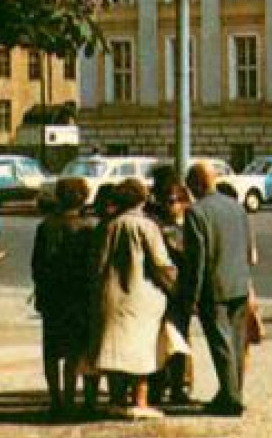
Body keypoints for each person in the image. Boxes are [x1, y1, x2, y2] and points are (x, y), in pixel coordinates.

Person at [93, 179, 175, 419]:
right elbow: (162, 264)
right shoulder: (146, 227)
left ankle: (116, 400)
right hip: (142, 298)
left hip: (111, 295)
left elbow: (98, 264)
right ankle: (140, 401)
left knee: (116, 351)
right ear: (142, 199)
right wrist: (176, 287)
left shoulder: (110, 225)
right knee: (143, 351)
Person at [182, 162, 256, 417]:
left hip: (214, 289)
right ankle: (230, 391)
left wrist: (192, 295)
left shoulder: (195, 213)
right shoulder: (237, 207)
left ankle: (231, 399)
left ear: (197, 184)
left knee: (221, 344)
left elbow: (197, 259)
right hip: (238, 283)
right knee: (236, 343)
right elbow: (247, 248)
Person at [30, 175, 98, 418]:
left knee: (51, 350)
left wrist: (40, 290)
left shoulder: (45, 226)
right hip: (78, 297)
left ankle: (55, 399)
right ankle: (70, 398)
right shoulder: (89, 228)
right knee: (73, 350)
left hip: (52, 297)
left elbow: (37, 265)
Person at [148, 181, 194, 406]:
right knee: (159, 339)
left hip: (181, 291)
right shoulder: (157, 226)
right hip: (162, 290)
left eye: (173, 201)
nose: (169, 206)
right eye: (165, 201)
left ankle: (180, 385)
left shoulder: (190, 228)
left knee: (180, 339)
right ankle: (158, 384)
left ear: (184, 203)